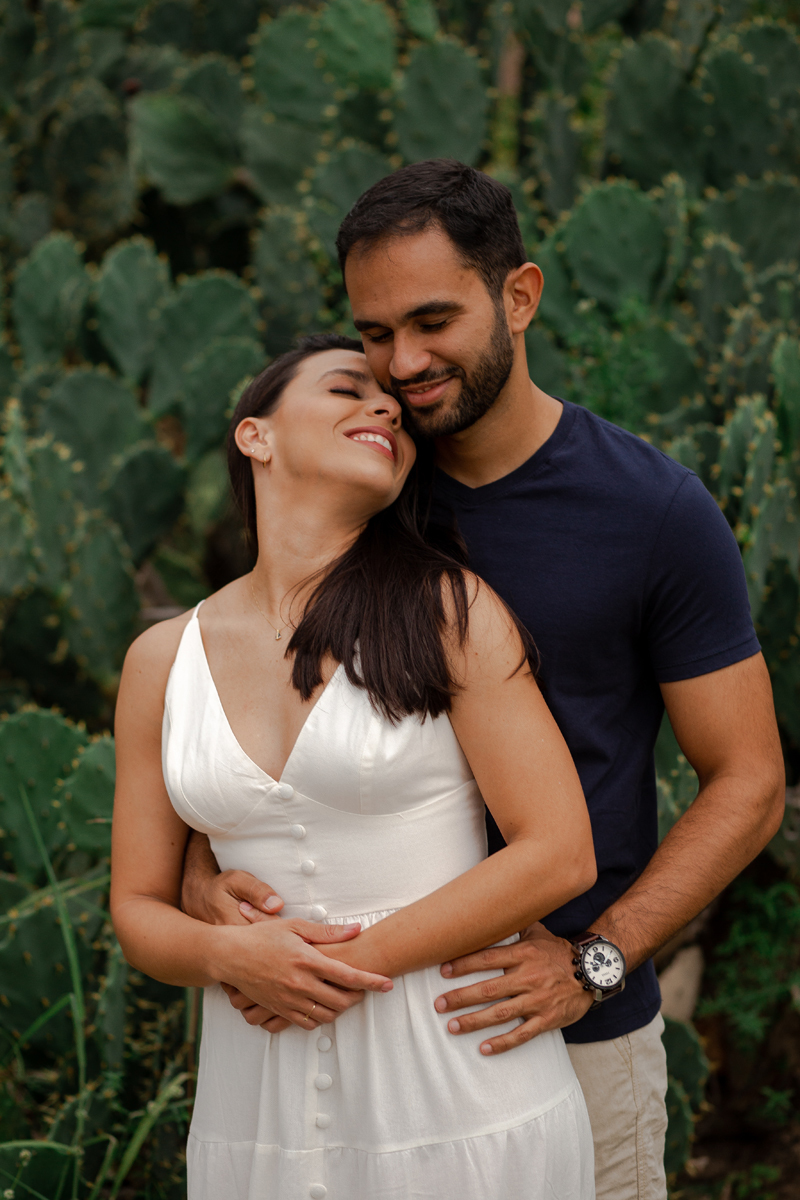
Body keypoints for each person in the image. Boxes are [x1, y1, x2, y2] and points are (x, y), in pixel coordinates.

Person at [181, 162, 786, 1200]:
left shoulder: (649, 512)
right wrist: (200, 876)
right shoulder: (355, 484)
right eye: (375, 334)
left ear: (519, 296)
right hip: (333, 1036)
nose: (404, 363)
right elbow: (246, 711)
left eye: (433, 321)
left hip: (559, 1026)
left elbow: (748, 781)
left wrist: (597, 960)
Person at [110, 333, 598, 1199]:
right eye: (347, 389)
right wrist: (229, 957)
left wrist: (327, 967)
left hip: (458, 1083)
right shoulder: (161, 660)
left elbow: (558, 852)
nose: (385, 409)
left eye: (397, 411)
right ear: (255, 435)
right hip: (255, 1108)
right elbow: (138, 908)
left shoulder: (448, 610)